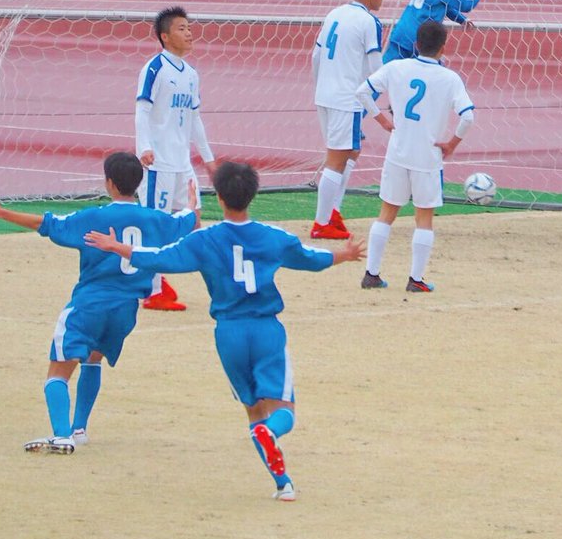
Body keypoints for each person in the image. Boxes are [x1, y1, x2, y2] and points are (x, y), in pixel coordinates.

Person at [86, 161, 364, 501]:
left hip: (229, 334)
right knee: (283, 411)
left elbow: (161, 258)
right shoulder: (273, 237)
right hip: (266, 330)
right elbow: (310, 258)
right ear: (253, 195)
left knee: (253, 410)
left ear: (218, 197)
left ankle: (283, 483)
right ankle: (272, 441)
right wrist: (344, 255)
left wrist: (120, 248)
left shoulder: (205, 240)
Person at [0, 151, 197, 454]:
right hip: (126, 310)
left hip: (90, 305)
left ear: (110, 183)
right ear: (138, 184)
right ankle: (79, 429)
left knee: (58, 372)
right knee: (92, 360)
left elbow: (47, 223)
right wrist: (192, 201)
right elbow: (187, 219)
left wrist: (2, 214)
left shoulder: (95, 217)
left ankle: (61, 435)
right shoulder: (157, 220)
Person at [356, 20, 474, 292]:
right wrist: (452, 143)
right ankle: (415, 279)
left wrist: (381, 120)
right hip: (427, 157)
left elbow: (362, 91)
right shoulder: (449, 78)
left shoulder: (397, 67)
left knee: (386, 213)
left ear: (416, 44)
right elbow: (468, 116)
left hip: (398, 152)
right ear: (443, 47)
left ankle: (371, 274)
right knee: (424, 218)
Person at [135, 5, 218, 310]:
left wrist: (207, 158)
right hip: (158, 163)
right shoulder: (154, 69)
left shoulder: (192, 75)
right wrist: (144, 146)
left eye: (189, 27)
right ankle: (152, 289)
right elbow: (142, 110)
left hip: (183, 163)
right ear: (165, 37)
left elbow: (195, 118)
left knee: (193, 219)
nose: (189, 32)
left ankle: (216, 283)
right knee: (156, 224)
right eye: (182, 28)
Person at [309, 0, 387, 240]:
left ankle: (333, 212)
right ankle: (321, 222)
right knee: (337, 159)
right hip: (346, 99)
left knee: (352, 152)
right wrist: (378, 104)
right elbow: (376, 68)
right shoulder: (369, 22)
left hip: (325, 95)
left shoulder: (334, 14)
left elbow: (315, 57)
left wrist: (322, 86)